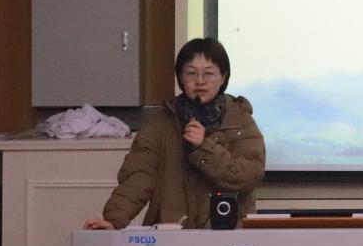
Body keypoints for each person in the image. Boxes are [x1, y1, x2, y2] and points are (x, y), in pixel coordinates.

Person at [83, 37, 265, 230]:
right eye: (191, 73)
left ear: (223, 77)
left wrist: (204, 147)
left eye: (209, 73)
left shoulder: (240, 120)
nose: (200, 81)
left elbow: (246, 177)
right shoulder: (161, 123)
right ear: (180, 77)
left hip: (227, 234)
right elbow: (138, 177)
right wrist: (114, 220)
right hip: (172, 232)